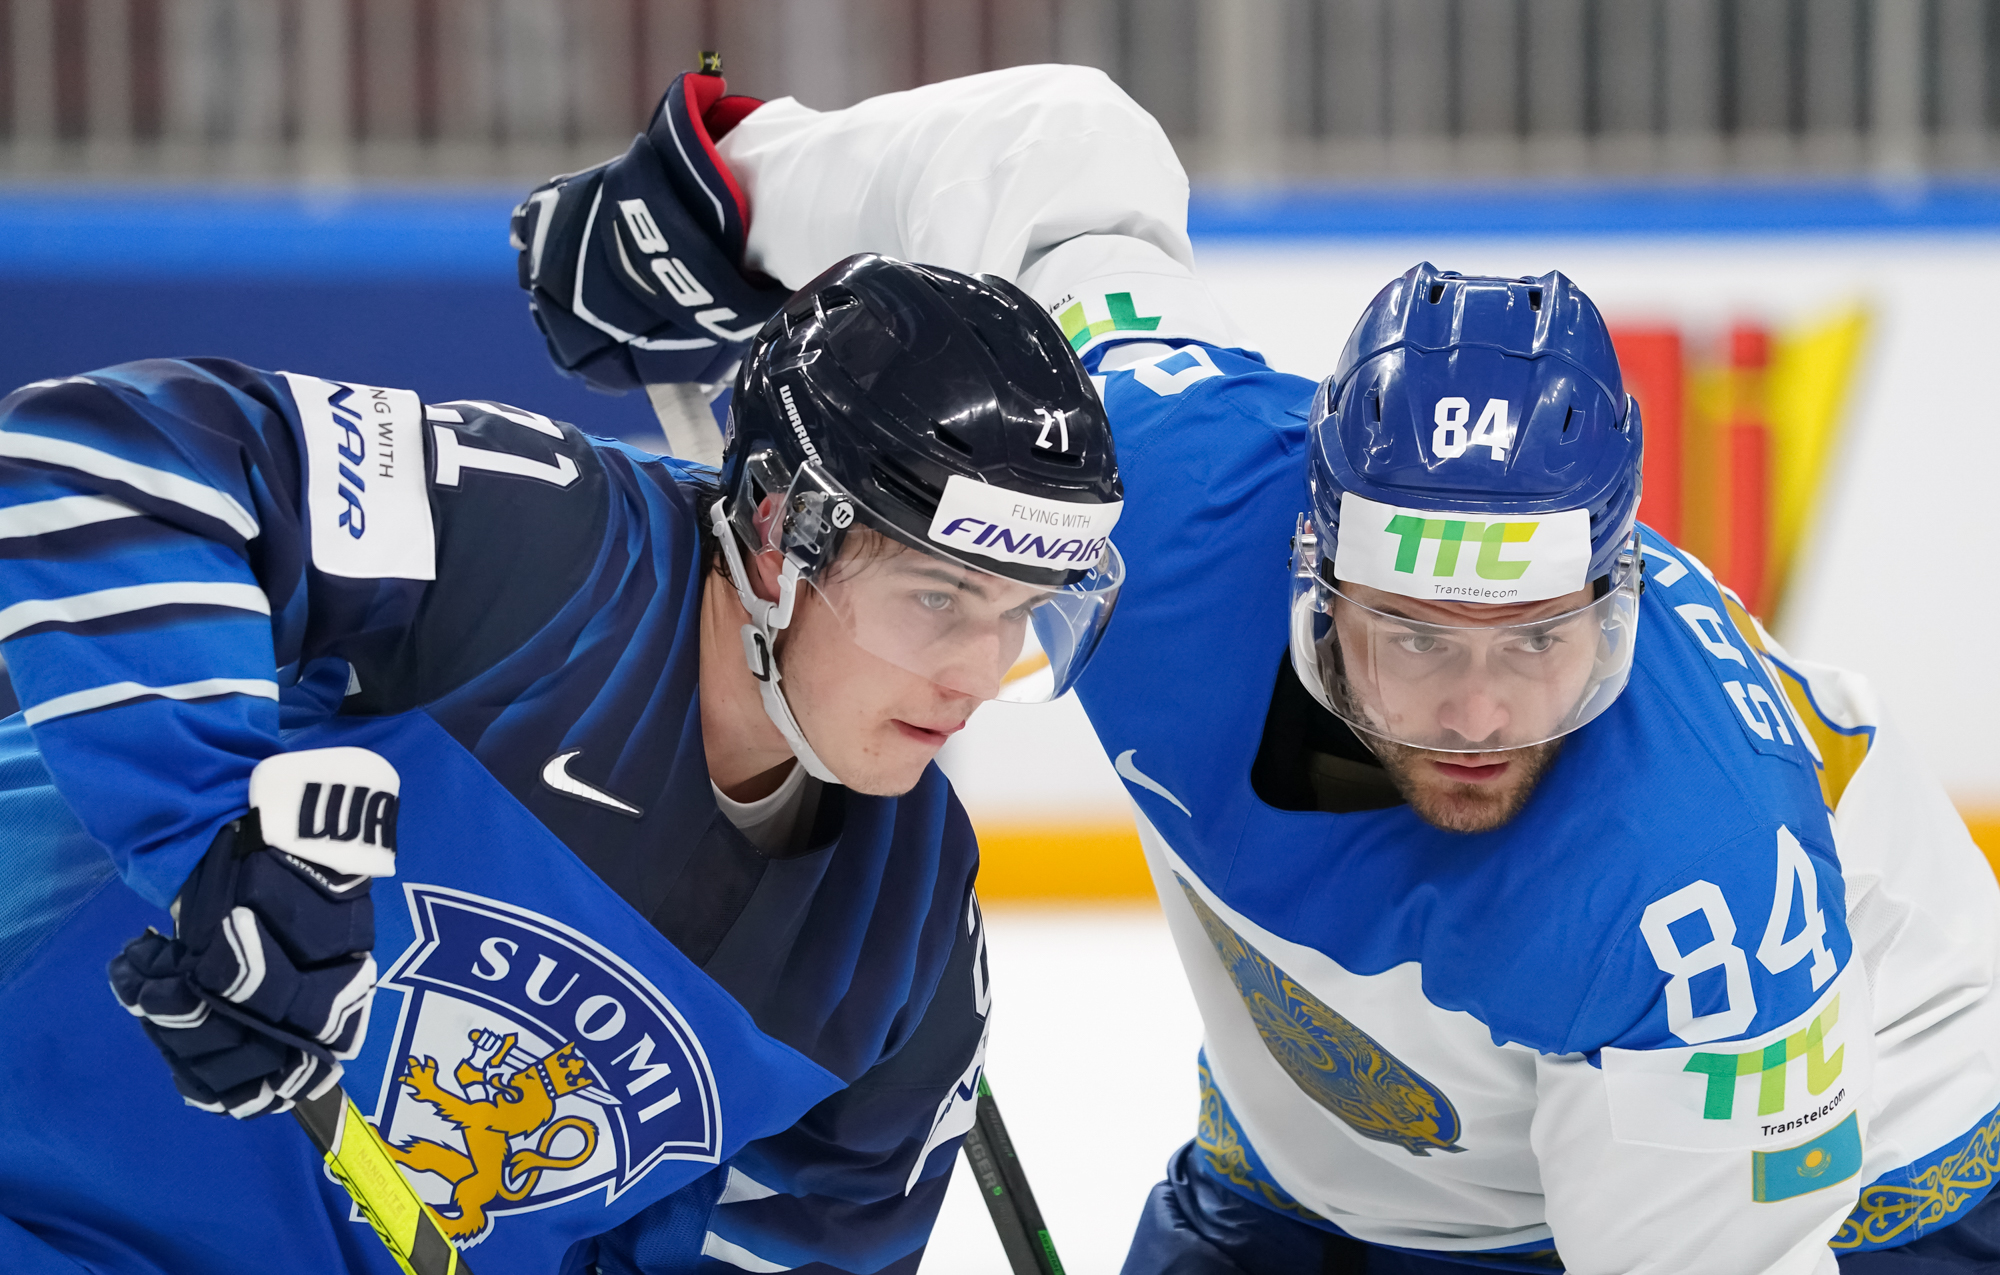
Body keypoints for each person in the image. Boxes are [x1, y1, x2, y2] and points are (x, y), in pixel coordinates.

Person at [533, 63, 2000, 1274]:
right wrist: (741, 188)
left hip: (1874, 1166)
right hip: (1332, 1167)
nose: (1478, 711)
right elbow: (1067, 158)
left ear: (1611, 601)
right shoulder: (1158, 511)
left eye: (1536, 642)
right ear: (1307, 578)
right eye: (1415, 637)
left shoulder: (1703, 895)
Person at [0, 66, 1126, 1275]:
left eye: (1019, 615)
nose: (974, 676)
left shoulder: (899, 938)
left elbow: (787, 1251)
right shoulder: (540, 547)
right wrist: (208, 846)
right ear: (770, 528)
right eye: (936, 597)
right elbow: (100, 457)